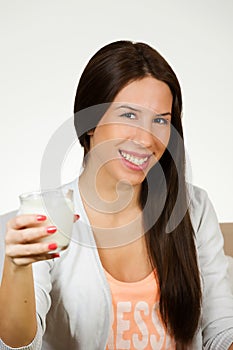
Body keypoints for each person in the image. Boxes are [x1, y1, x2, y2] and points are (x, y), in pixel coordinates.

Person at [0, 40, 233, 350]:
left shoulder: (194, 208)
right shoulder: (42, 218)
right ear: (89, 123)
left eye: (161, 120)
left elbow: (221, 332)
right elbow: (18, 347)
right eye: (129, 115)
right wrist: (18, 266)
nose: (146, 138)